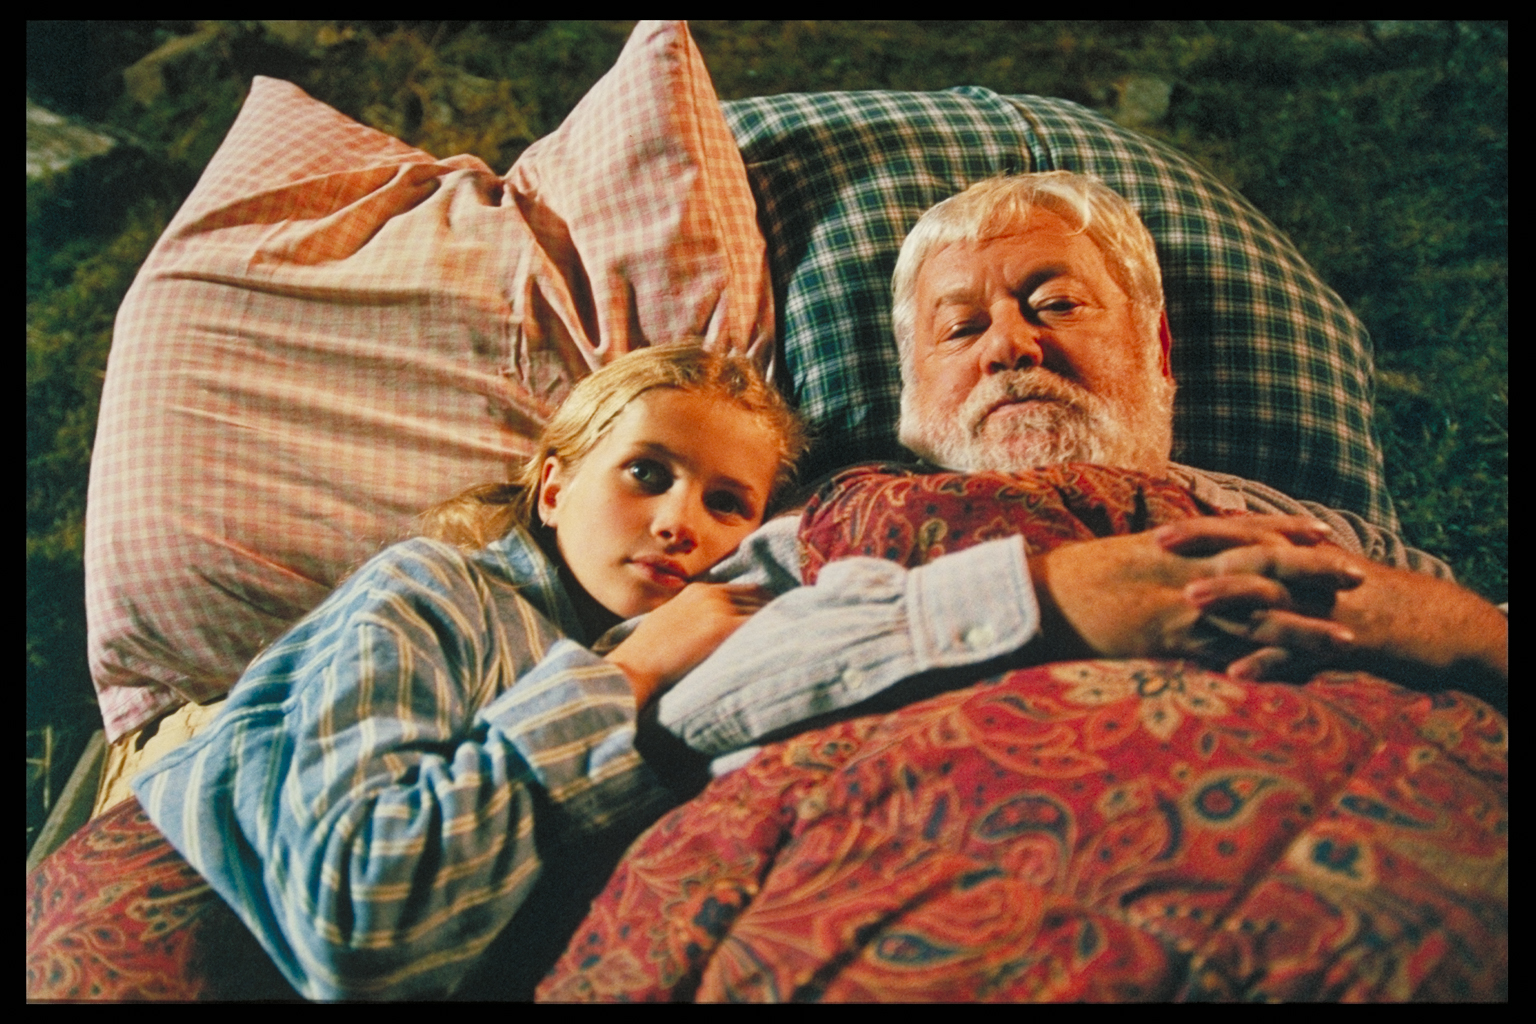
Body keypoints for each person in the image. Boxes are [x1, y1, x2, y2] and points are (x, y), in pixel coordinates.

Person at [656, 172, 1506, 764]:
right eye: (960, 329)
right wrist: (1050, 602)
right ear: (912, 391)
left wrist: (1409, 619)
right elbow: (658, 733)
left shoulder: (1316, 534)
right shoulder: (821, 528)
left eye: (1056, 305)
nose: (1010, 346)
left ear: (1155, 349)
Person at [131, 346, 808, 1000]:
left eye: (727, 503)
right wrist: (628, 671)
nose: (679, 523)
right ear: (554, 489)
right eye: (647, 473)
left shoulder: (705, 645)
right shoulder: (430, 589)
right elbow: (360, 923)